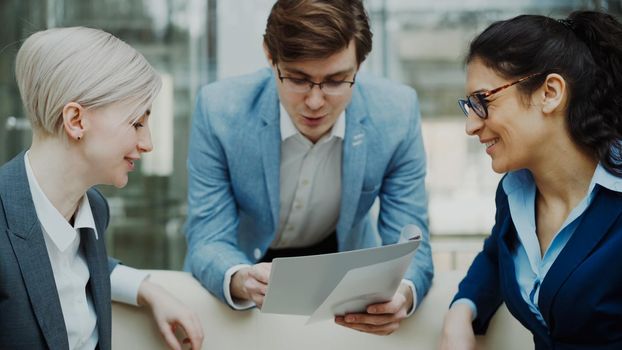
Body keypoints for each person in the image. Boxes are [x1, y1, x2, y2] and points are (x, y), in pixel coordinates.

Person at [184, 0, 433, 336]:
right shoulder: (219, 110)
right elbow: (208, 237)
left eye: (336, 81)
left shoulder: (397, 113)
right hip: (244, 270)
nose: (315, 102)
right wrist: (240, 277)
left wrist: (402, 292)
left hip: (345, 280)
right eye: (298, 79)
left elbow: (410, 236)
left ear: (360, 64)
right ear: (269, 57)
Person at [0, 27, 204, 350]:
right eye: (137, 123)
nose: (148, 143)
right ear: (76, 121)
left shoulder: (94, 209)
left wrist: (148, 289)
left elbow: (63, 264)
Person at [440, 10, 622, 350]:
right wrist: (462, 310)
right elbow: (498, 254)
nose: (471, 125)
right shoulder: (514, 194)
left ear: (550, 92)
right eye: (469, 105)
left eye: (483, 101)